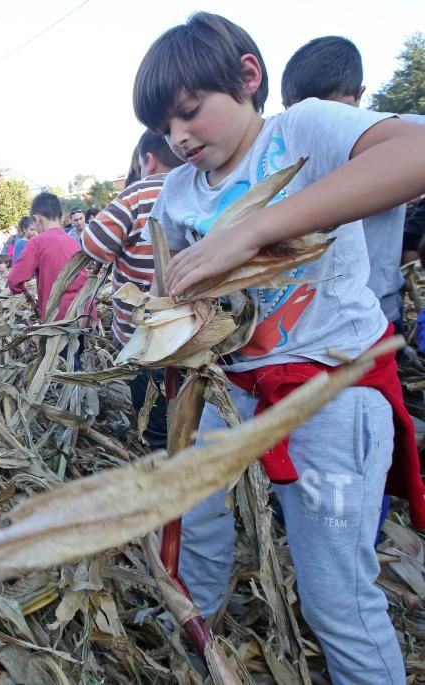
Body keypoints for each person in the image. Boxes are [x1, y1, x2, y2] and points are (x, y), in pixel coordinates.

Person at [134, 13, 425, 683]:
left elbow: (414, 154)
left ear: (247, 77)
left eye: (190, 112)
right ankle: (198, 647)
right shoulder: (177, 193)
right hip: (227, 391)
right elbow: (180, 296)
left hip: (328, 389)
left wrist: (251, 232)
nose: (178, 137)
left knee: (335, 593)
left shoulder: (304, 131)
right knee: (198, 532)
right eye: (165, 127)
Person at [282, 36, 425, 339]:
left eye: (338, 113)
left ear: (359, 98)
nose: (325, 127)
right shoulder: (280, 148)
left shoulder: (392, 137)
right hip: (301, 330)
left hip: (376, 317)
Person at [80, 129, 183, 451]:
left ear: (147, 160)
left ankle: (159, 459)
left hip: (144, 335)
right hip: (194, 331)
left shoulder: (136, 195)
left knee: (153, 412)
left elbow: (93, 246)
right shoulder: (198, 187)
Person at [8, 192, 89, 322]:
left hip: (59, 318)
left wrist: (27, 297)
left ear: (37, 219)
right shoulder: (73, 241)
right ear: (61, 217)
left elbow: (14, 280)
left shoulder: (37, 242)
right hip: (84, 313)